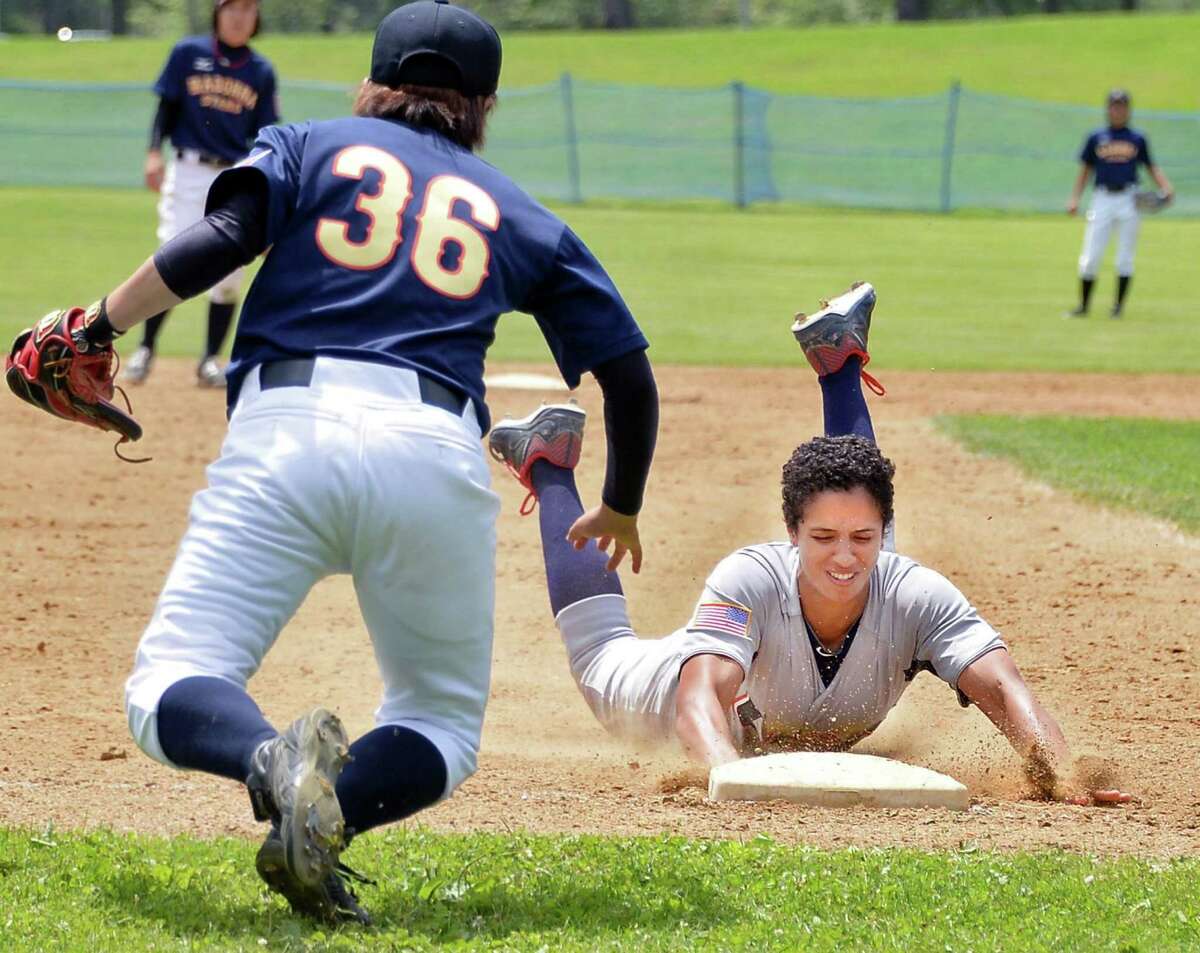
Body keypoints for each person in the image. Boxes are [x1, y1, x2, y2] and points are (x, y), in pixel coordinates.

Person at [16, 0, 656, 924]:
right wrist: (622, 503)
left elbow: (220, 243)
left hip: (287, 431)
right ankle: (329, 815)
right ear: (484, 106)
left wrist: (99, 323)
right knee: (439, 721)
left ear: (374, 85)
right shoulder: (519, 212)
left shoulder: (308, 145)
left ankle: (267, 761)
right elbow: (629, 377)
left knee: (166, 684)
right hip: (433, 453)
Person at [490, 282, 1130, 806]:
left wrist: (1061, 770)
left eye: (864, 536)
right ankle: (548, 465)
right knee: (601, 649)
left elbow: (1004, 687)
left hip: (845, 604)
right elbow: (695, 699)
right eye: (819, 535)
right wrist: (730, 777)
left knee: (869, 560)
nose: (845, 552)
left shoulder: (914, 594)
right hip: (655, 686)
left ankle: (837, 362)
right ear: (788, 532)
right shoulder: (752, 578)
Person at [130, 0, 279, 387]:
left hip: (234, 174)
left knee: (231, 273)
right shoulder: (188, 53)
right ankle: (145, 349)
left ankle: (211, 359)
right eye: (232, 7)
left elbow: (264, 136)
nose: (239, 16)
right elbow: (166, 108)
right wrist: (152, 154)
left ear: (256, 18)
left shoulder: (261, 71)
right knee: (172, 255)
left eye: (248, 9)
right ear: (217, 12)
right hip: (189, 169)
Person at [1066, 89, 1174, 320]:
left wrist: (1166, 187)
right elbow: (1085, 170)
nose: (1118, 110)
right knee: (1091, 256)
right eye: (1114, 106)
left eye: (1122, 106)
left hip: (1129, 199)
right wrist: (1075, 198)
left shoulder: (1137, 138)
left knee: (1125, 257)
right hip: (1102, 198)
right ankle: (1083, 307)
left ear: (1128, 110)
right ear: (1108, 109)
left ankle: (1117, 308)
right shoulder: (1096, 137)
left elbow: (1150, 166)